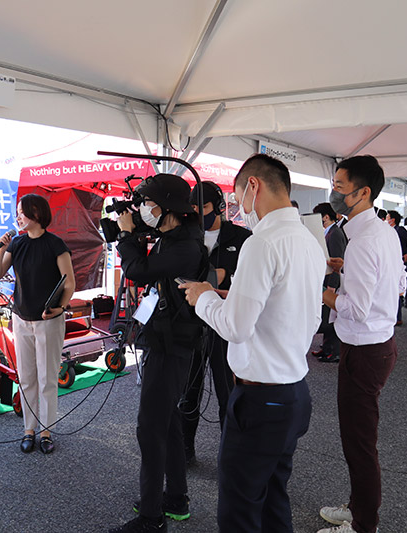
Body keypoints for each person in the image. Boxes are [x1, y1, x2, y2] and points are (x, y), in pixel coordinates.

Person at [182, 154, 326, 532]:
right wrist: (233, 299)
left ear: (253, 186)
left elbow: (236, 327)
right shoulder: (309, 240)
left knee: (239, 509)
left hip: (262, 400)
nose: (239, 208)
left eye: (237, 198)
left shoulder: (261, 242)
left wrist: (204, 297)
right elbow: (301, 313)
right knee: (273, 499)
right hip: (293, 392)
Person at [109, 173, 205, 533]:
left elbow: (139, 271)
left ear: (167, 208)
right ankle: (176, 499)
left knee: (150, 429)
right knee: (168, 423)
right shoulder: (173, 237)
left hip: (170, 346)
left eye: (148, 203)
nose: (143, 210)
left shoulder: (184, 245)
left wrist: (125, 236)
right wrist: (130, 233)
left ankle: (151, 518)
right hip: (166, 341)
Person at [318, 155, 405, 533]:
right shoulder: (383, 232)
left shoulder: (365, 241)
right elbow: (397, 283)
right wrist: (346, 269)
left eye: (339, 186)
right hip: (379, 344)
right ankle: (357, 507)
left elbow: (356, 308)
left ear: (363, 192)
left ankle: (363, 524)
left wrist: (322, 291)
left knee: (359, 443)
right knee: (359, 438)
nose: (334, 193)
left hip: (365, 350)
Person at [0, 193, 75, 454]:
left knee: (47, 378)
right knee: (26, 378)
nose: (18, 217)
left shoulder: (55, 244)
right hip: (21, 318)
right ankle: (29, 430)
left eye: (22, 212)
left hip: (48, 320)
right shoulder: (17, 243)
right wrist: (2, 247)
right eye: (17, 212)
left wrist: (61, 307)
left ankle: (46, 431)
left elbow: (69, 282)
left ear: (37, 213)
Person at [181, 181, 251, 464]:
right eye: (194, 208)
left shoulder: (243, 238)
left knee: (228, 393)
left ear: (220, 206)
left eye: (205, 207)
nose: (199, 213)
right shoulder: (186, 235)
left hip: (225, 325)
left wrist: (225, 276)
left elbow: (250, 282)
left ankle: (231, 456)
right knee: (188, 392)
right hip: (192, 325)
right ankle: (185, 450)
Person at [312, 202, 347, 363]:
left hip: (333, 282)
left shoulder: (335, 234)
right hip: (328, 280)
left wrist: (332, 285)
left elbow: (337, 260)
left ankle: (334, 351)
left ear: (325, 217)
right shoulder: (330, 232)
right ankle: (327, 348)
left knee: (331, 319)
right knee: (328, 317)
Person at [386, 210, 407, 324]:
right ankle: (395, 316)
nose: (386, 220)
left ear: (393, 220)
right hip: (393, 261)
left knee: (397, 287)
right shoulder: (389, 230)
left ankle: (398, 317)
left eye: (387, 218)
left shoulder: (399, 230)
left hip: (401, 261)